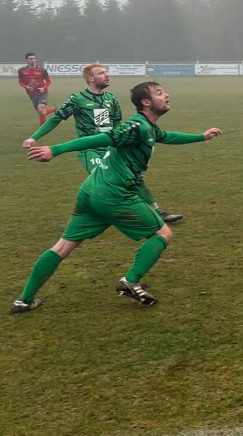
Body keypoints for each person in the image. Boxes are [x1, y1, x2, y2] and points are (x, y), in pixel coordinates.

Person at [13, 81, 221, 312]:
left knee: (63, 246)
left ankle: (24, 300)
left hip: (92, 191)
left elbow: (168, 136)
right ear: (146, 102)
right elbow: (101, 138)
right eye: (160, 93)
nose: (167, 95)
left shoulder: (148, 128)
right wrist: (56, 149)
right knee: (162, 233)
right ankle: (130, 281)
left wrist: (201, 136)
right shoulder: (136, 126)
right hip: (115, 194)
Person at [22, 64, 183, 224]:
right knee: (103, 178)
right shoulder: (77, 99)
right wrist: (33, 138)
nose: (107, 75)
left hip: (111, 147)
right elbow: (55, 119)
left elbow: (117, 124)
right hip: (89, 149)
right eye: (101, 73)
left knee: (134, 177)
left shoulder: (110, 98)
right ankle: (97, 214)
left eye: (107, 72)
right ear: (91, 79)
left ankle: (157, 212)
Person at [18, 53, 52, 125]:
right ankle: (53, 109)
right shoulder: (22, 70)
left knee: (40, 109)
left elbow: (49, 81)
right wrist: (26, 87)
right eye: (30, 59)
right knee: (41, 112)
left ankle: (42, 127)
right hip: (32, 94)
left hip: (42, 92)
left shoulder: (42, 70)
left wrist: (43, 88)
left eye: (34, 58)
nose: (32, 60)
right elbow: (20, 82)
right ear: (27, 60)